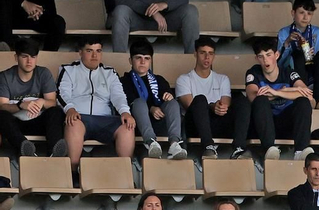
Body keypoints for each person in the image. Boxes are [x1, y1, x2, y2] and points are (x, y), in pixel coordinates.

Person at [59, 37, 136, 168]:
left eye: (98, 51)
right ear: (80, 52)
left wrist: (125, 112)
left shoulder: (110, 72)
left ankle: (126, 173)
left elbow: (118, 95)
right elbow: (62, 93)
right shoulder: (69, 70)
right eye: (89, 51)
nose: (95, 55)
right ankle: (72, 173)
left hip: (105, 119)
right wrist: (70, 109)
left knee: (127, 127)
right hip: (80, 118)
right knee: (73, 123)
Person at [176, 37, 250, 160]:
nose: (207, 57)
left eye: (210, 53)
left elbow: (224, 104)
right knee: (200, 99)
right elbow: (190, 106)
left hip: (219, 123)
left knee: (242, 100)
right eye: (203, 53)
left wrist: (219, 107)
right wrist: (212, 106)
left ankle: (239, 148)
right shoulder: (183, 79)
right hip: (195, 125)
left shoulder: (222, 79)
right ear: (195, 54)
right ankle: (208, 147)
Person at [244, 37, 313, 162]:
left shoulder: (288, 72)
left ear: (276, 55)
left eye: (268, 55)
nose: (265, 60)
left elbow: (308, 96)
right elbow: (253, 97)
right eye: (261, 56)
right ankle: (269, 148)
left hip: (286, 123)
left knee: (303, 102)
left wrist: (276, 92)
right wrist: (290, 91)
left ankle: (300, 151)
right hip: (264, 124)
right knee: (260, 100)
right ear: (256, 59)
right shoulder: (253, 73)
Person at [0, 39, 66, 158]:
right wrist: (21, 105)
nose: (29, 61)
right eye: (24, 56)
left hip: (38, 121)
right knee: (1, 115)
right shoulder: (5, 76)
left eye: (33, 57)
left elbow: (52, 102)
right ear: (16, 57)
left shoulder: (44, 73)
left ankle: (54, 152)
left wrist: (42, 101)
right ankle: (24, 147)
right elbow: (2, 106)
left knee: (56, 111)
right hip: (15, 124)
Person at [120, 40, 184, 159]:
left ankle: (175, 144)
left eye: (147, 58)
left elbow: (167, 96)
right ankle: (150, 142)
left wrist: (169, 96)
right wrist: (151, 108)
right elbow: (128, 101)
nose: (143, 62)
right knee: (139, 102)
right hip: (137, 124)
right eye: (138, 58)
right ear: (130, 60)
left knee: (173, 103)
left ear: (151, 61)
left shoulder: (159, 80)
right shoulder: (124, 81)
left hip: (160, 123)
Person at [109, 0, 199, 54]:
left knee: (191, 11)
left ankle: (192, 59)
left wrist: (165, 4)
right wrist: (152, 11)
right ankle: (119, 59)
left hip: (166, 19)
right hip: (137, 18)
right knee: (120, 11)